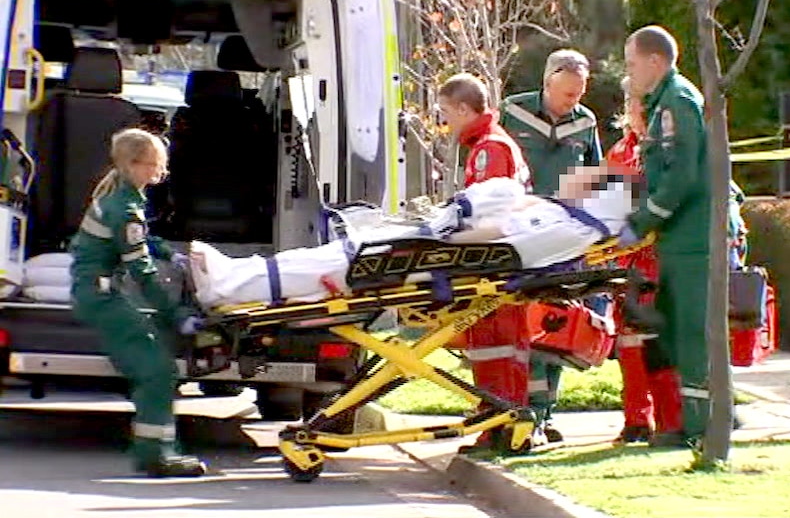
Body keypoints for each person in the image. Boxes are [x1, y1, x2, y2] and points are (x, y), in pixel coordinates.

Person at [190, 169, 642, 309]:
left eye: (592, 177)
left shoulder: (570, 227)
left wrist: (441, 234)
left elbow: (502, 242)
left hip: (436, 257)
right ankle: (235, 274)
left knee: (332, 267)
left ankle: (225, 287)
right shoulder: (565, 217)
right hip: (438, 249)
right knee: (332, 257)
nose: (579, 175)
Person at [69, 128, 207, 478]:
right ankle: (155, 454)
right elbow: (142, 273)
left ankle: (157, 451)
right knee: (157, 370)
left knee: (155, 364)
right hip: (100, 297)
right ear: (132, 165)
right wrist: (176, 313)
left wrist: (165, 250)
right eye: (153, 166)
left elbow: (139, 242)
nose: (158, 174)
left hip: (95, 292)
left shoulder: (119, 198)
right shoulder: (125, 208)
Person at [499, 49, 605, 443]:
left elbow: (595, 175)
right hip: (522, 235)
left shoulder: (586, 122)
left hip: (566, 238)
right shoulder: (513, 112)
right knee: (519, 322)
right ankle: (515, 407)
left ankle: (544, 414)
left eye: (578, 94)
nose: (572, 102)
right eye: (566, 94)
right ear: (547, 84)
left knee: (558, 324)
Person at [620, 25, 711, 447]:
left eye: (632, 62)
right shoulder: (662, 104)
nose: (630, 71)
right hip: (677, 238)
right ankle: (690, 424)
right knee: (676, 332)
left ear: (655, 61)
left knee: (693, 333)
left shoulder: (676, 101)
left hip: (692, 239)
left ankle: (702, 428)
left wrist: (642, 221)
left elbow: (682, 173)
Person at [435, 73, 533, 454]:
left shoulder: (489, 150)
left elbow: (489, 214)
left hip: (496, 264)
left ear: (463, 108)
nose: (445, 121)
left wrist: (453, 240)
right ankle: (503, 423)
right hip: (503, 262)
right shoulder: (491, 144)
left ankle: (500, 426)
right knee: (502, 347)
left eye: (446, 112)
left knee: (496, 347)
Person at [606, 77, 683, 445]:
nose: (642, 112)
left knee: (660, 343)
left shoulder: (665, 151)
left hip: (663, 260)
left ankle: (672, 421)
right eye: (638, 104)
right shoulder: (620, 152)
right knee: (631, 344)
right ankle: (637, 420)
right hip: (629, 264)